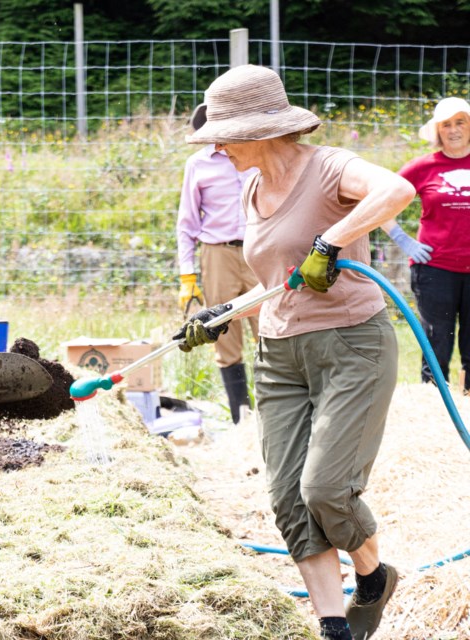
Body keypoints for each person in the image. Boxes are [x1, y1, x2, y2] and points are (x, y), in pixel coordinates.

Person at [176, 65, 415, 640]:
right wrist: (224, 314)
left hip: (351, 345)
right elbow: (284, 281)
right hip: (279, 356)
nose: (214, 147)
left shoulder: (329, 167)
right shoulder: (252, 185)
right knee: (289, 498)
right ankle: (333, 627)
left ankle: (374, 576)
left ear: (259, 132)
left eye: (222, 136)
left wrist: (330, 241)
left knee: (326, 490)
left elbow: (397, 190)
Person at [176, 107, 260, 423]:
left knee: (271, 328)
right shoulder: (197, 165)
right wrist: (187, 274)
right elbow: (186, 222)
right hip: (217, 253)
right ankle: (242, 416)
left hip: (259, 248)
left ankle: (275, 413)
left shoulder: (256, 156)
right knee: (223, 330)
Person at [397, 96, 470, 391]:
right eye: (446, 125)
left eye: (460, 122)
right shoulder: (422, 167)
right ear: (437, 131)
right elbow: (377, 200)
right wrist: (403, 240)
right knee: (436, 346)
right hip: (434, 269)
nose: (453, 130)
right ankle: (436, 411)